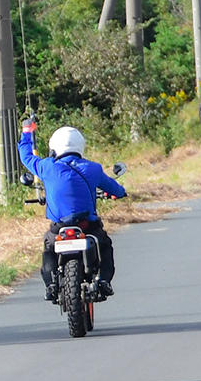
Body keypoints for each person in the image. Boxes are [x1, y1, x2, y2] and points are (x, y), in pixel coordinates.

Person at [19, 120, 128, 300]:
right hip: (87, 225)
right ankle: (103, 281)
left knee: (48, 248)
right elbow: (114, 188)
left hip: (60, 226)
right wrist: (121, 192)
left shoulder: (47, 167)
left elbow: (26, 156)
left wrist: (26, 132)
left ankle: (51, 285)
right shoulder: (93, 168)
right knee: (105, 245)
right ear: (80, 146)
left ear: (54, 147)